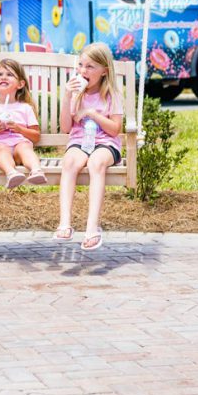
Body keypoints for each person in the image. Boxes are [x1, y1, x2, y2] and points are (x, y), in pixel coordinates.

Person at [55, 43, 124, 251]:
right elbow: (66, 128)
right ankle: (65, 222)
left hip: (105, 143)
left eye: (90, 67)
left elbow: (115, 129)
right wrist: (67, 97)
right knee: (69, 162)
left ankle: (92, 227)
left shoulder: (112, 95)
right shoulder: (76, 93)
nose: (83, 71)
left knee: (96, 163)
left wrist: (92, 113)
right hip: (79, 141)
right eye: (81, 65)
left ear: (104, 71)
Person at [0, 58, 46, 189]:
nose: (4, 77)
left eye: (10, 74)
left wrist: (19, 129)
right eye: (0, 74)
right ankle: (11, 173)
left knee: (24, 146)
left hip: (19, 148)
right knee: (2, 148)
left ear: (20, 84)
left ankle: (36, 171)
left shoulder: (25, 108)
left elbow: (36, 136)